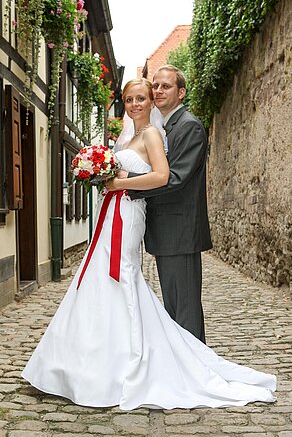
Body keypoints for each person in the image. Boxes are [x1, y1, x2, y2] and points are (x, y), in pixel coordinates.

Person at [21, 78, 276, 411]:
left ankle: (133, 364)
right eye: (129, 99)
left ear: (152, 103)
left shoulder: (154, 135)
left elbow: (162, 176)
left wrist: (119, 185)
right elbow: (123, 174)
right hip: (113, 212)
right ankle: (90, 361)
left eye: (142, 98)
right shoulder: (128, 136)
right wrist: (101, 175)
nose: (136, 104)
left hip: (128, 213)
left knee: (121, 275)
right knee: (99, 274)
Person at [127, 65, 212, 343]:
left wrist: (128, 186)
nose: (159, 90)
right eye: (156, 85)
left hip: (180, 231)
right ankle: (183, 369)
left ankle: (198, 373)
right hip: (166, 232)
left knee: (184, 310)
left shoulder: (189, 126)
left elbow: (176, 179)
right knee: (174, 308)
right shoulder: (163, 127)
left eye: (166, 86)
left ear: (181, 92)